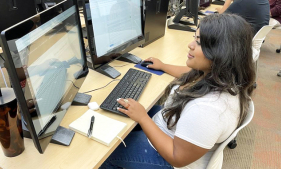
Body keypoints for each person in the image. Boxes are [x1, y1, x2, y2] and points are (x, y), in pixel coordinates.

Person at [99, 13, 256, 169]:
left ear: (221, 52)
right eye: (195, 37)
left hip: (169, 158)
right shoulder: (224, 77)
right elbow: (188, 72)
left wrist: (143, 117)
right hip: (173, 129)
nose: (190, 44)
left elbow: (177, 158)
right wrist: (162, 66)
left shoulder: (209, 109)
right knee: (123, 115)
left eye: (199, 42)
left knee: (104, 154)